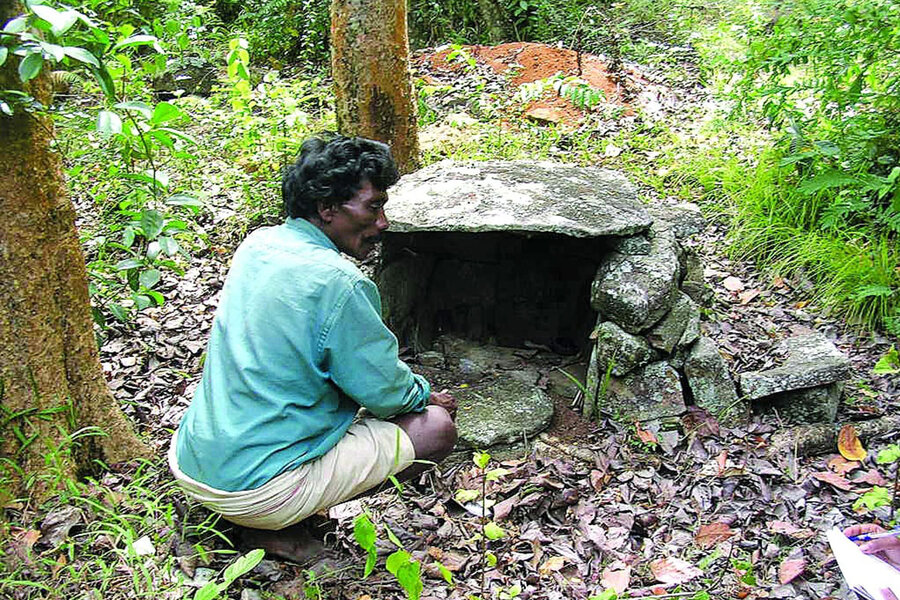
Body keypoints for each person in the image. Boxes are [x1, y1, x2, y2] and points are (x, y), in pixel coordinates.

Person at [168, 134, 458, 562]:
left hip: (193, 463)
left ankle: (263, 514)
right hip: (255, 490)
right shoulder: (340, 282)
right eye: (373, 206)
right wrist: (424, 394)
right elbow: (385, 393)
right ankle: (280, 527)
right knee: (435, 427)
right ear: (327, 209)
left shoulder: (258, 244)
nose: (383, 222)